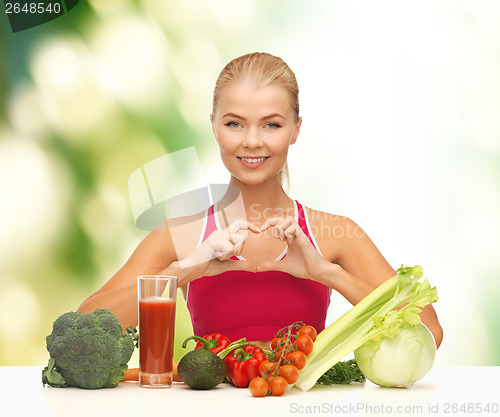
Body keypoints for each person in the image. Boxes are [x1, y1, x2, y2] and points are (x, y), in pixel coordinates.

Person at [78, 52, 443, 349]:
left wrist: (328, 274)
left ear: (296, 129)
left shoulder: (334, 233)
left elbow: (429, 332)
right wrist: (184, 271)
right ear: (213, 126)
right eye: (235, 123)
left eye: (271, 124)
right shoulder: (182, 235)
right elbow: (82, 329)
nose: (252, 141)